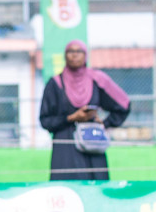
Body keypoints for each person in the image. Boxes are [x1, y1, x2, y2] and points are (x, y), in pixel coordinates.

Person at [40, 40, 131, 180]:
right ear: (65, 56)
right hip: (65, 148)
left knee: (96, 190)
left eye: (79, 52)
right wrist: (71, 118)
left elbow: (123, 104)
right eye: (71, 51)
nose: (74, 55)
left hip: (92, 145)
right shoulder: (55, 84)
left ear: (85, 55)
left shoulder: (97, 80)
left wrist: (105, 123)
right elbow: (45, 120)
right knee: (66, 189)